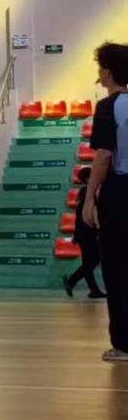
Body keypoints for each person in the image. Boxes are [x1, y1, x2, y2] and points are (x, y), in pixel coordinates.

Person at [84, 41, 128, 362]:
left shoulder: (107, 106)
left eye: (100, 69)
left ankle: (123, 344)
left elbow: (103, 157)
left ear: (108, 73)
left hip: (120, 192)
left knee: (117, 267)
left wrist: (89, 199)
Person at [65, 166, 105, 299]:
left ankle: (92, 289)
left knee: (89, 262)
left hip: (84, 233)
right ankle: (72, 280)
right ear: (88, 179)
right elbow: (87, 214)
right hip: (87, 233)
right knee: (92, 260)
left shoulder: (85, 192)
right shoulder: (87, 192)